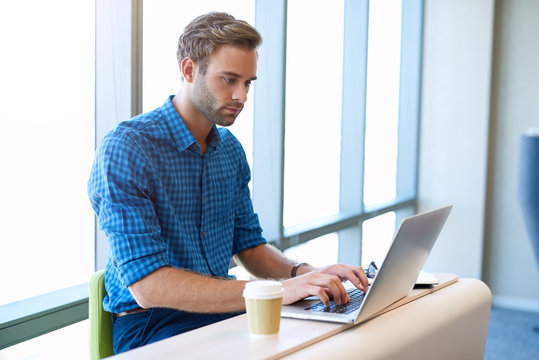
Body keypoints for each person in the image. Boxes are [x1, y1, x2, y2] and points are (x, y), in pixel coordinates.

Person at [88, 11, 369, 354]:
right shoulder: (127, 149)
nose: (241, 96)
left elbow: (249, 247)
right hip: (152, 326)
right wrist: (280, 291)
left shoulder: (229, 150)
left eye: (248, 82)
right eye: (229, 79)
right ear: (189, 70)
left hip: (224, 312)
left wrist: (306, 274)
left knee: (337, 345)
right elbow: (149, 286)